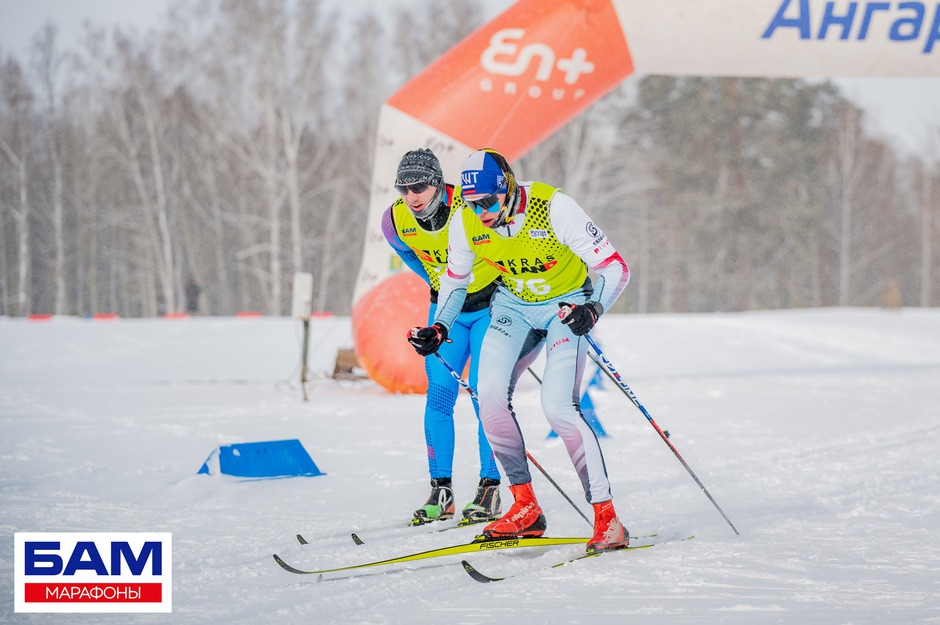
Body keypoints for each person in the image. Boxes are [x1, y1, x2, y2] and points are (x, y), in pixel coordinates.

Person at [407, 148, 631, 553]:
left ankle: (608, 519)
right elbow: (454, 283)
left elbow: (615, 267)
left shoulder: (553, 207)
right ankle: (525, 507)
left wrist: (594, 308)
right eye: (473, 204)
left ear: (508, 188)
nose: (482, 213)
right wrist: (440, 326)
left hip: (566, 307)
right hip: (513, 309)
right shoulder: (465, 221)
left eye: (488, 202)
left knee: (558, 408)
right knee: (488, 397)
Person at [382, 148, 503, 526]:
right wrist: (439, 282)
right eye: (403, 189)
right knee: (438, 397)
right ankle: (441, 491)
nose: (411, 196)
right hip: (445, 312)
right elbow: (409, 255)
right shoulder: (395, 220)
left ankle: (489, 487)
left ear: (437, 183)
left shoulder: (469, 207)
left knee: (485, 395)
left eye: (419, 187)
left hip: (490, 306)